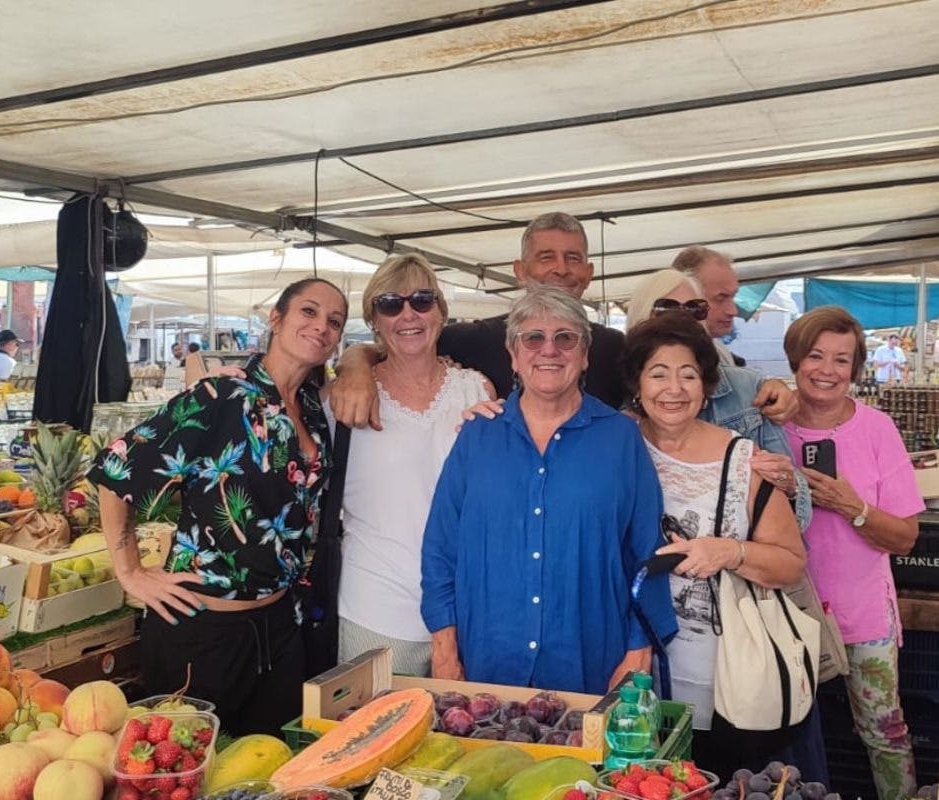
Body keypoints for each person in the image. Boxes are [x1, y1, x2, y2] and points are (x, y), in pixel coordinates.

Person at [87, 278, 348, 736]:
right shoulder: (221, 397)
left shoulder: (311, 405)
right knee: (194, 765)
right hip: (203, 633)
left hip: (281, 631)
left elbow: (377, 357)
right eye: (308, 312)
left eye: (335, 321)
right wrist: (129, 571)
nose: (321, 326)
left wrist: (360, 362)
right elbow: (116, 469)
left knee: (271, 761)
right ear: (276, 319)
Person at [420, 286, 677, 693]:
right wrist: (444, 645)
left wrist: (638, 648)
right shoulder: (478, 435)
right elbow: (440, 548)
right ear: (513, 355)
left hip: (592, 661)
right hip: (485, 659)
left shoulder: (620, 438)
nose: (549, 350)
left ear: (585, 354)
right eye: (533, 338)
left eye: (565, 338)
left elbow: (648, 551)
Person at [331, 213, 794, 429]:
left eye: (573, 258)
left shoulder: (615, 346)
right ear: (520, 271)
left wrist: (767, 388)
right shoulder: (470, 339)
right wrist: (354, 365)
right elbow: (403, 345)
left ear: (588, 273)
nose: (560, 269)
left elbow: (681, 383)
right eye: (546, 257)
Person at [621, 313, 807, 777]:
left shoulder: (742, 460)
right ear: (637, 384)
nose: (674, 389)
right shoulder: (613, 446)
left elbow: (790, 563)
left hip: (721, 683)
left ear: (705, 386)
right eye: (658, 374)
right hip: (627, 678)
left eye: (688, 375)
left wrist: (729, 552)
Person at [325, 254, 492, 676]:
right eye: (389, 304)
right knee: (375, 718)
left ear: (441, 311)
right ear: (374, 320)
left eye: (422, 300)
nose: (408, 314)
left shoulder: (477, 390)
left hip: (467, 611)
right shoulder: (341, 399)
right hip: (375, 609)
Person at [783, 307, 920, 800]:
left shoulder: (877, 429)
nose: (827, 370)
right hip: (787, 612)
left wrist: (852, 506)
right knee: (787, 729)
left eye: (841, 360)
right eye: (815, 356)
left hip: (864, 614)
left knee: (884, 732)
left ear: (856, 368)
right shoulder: (770, 428)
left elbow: (904, 537)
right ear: (795, 360)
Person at [626, 269, 811, 531]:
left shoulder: (748, 389)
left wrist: (789, 487)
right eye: (667, 309)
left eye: (695, 309)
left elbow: (797, 512)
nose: (682, 319)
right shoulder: (624, 418)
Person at [672, 245, 746, 367]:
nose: (733, 311)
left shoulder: (720, 353)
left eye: (733, 297)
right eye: (720, 298)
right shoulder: (650, 357)